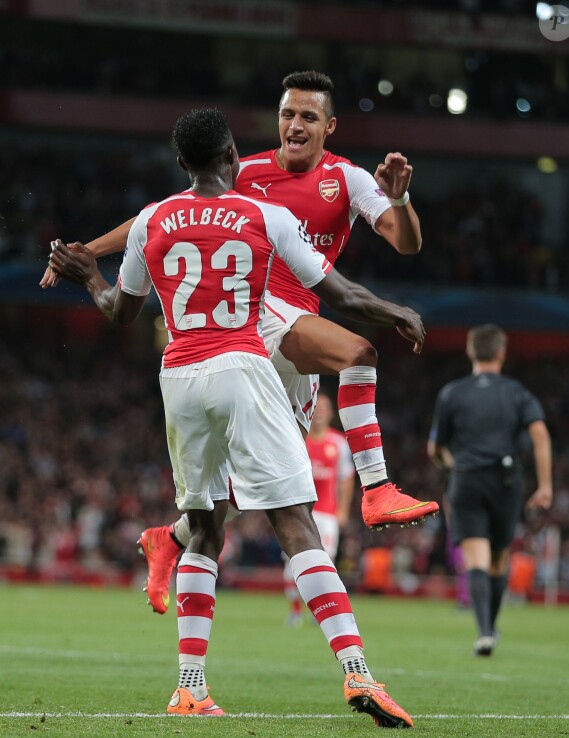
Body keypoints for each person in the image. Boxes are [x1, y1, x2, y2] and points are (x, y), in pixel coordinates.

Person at [49, 107, 427, 727]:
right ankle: (358, 672)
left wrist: (90, 274)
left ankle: (189, 687)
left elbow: (121, 312)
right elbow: (343, 296)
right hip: (242, 368)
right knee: (296, 525)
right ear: (231, 159)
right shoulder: (264, 215)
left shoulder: (153, 220)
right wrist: (394, 311)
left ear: (181, 166)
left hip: (178, 378)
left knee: (205, 527)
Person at [427, 324, 553, 656]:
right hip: (506, 481)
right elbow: (540, 434)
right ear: (501, 353)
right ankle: (491, 629)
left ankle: (484, 632)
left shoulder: (452, 392)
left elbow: (434, 449)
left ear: (470, 352)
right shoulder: (516, 391)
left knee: (476, 560)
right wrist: (545, 485)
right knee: (499, 559)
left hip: (467, 478)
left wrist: (452, 465)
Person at [284, 388, 355, 626]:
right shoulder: (298, 439)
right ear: (311, 411)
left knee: (325, 562)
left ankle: (322, 610)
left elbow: (346, 479)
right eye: (318, 408)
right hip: (299, 511)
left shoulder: (339, 443)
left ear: (332, 413)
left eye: (325, 408)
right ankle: (295, 611)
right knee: (292, 562)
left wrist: (343, 510)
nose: (321, 412)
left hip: (326, 512)